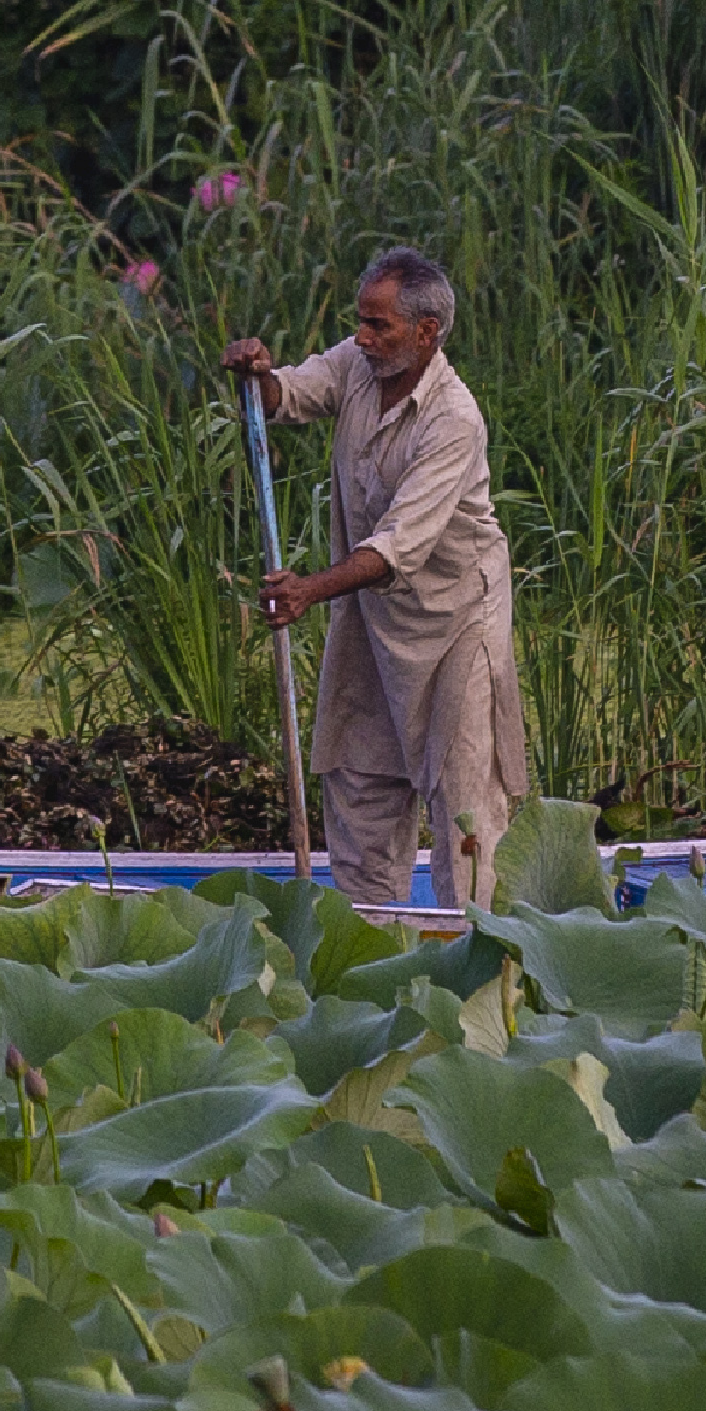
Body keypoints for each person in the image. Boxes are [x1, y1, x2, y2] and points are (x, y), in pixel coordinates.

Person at [223, 248, 533, 914]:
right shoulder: (359, 366)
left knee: (464, 798)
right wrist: (256, 376)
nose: (363, 337)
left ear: (427, 333)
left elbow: (398, 548)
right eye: (360, 322)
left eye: (380, 326)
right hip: (370, 617)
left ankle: (477, 948)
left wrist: (307, 589)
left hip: (455, 622)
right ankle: (368, 941)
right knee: (359, 778)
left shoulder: (454, 420)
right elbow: (288, 395)